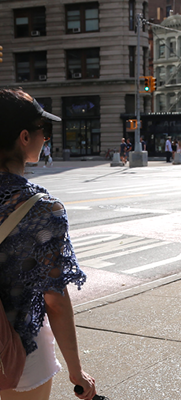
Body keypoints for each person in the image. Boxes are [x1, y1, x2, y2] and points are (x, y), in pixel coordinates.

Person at [0, 89, 96, 399]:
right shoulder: (40, 209)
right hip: (17, 353)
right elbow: (54, 299)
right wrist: (75, 370)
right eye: (45, 130)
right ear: (24, 137)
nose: (48, 139)